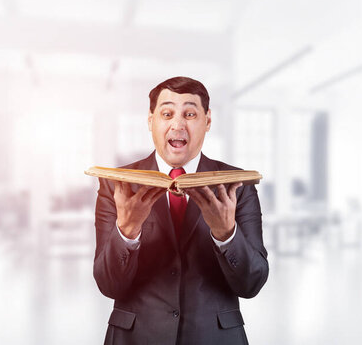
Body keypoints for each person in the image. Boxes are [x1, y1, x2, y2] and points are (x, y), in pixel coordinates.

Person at [93, 76, 269, 345]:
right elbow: (108, 285)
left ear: (207, 120)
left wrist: (226, 234)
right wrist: (127, 232)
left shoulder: (237, 184)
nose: (178, 125)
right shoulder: (117, 183)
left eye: (190, 113)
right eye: (167, 113)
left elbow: (252, 283)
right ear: (151, 120)